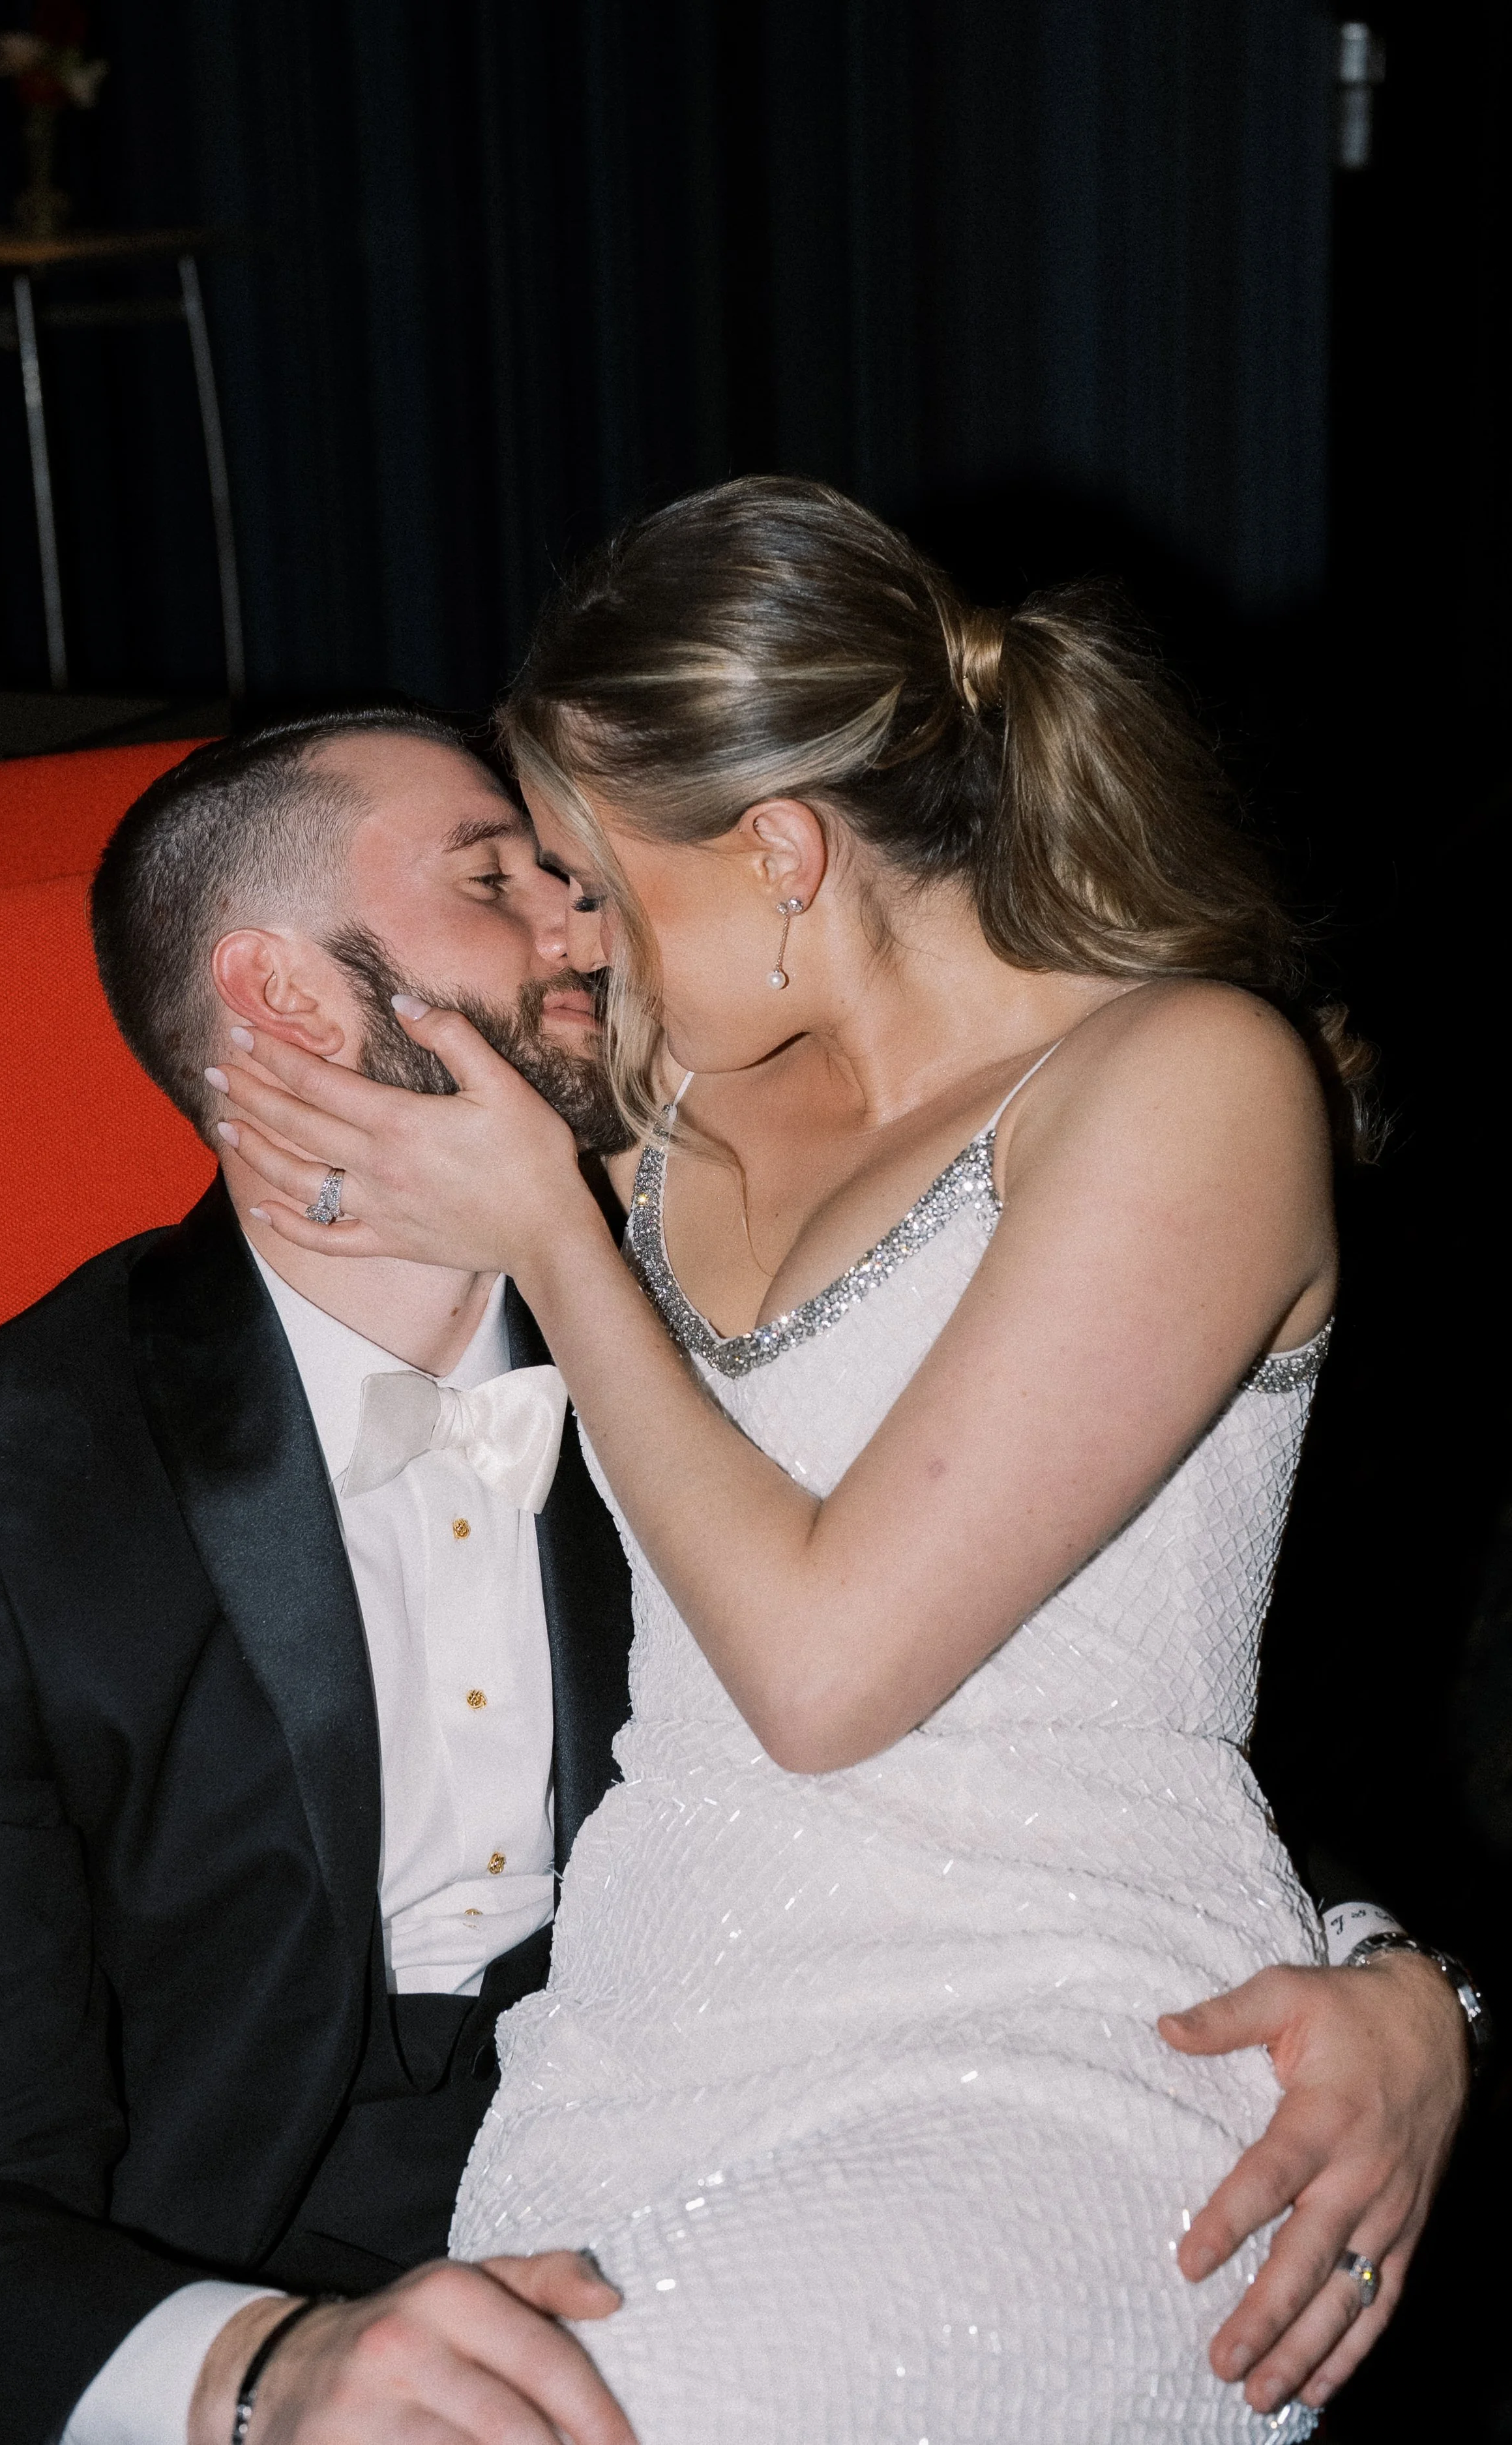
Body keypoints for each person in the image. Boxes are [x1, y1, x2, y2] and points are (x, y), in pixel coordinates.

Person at [212, 479, 1476, 2442]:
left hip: (1044, 2039)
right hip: (639, 2040)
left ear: (783, 851)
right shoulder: (667, 1100)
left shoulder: (1182, 1081)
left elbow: (823, 1674)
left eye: (593, 881)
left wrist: (557, 1231)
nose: (569, 935)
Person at [0, 711, 637, 2445]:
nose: (582, 921)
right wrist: (262, 2376)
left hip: (704, 2184)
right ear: (290, 997)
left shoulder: (722, 1328)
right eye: (493, 877)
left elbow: (1055, 1692)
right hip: (228, 2265)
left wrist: (1382, 1970)